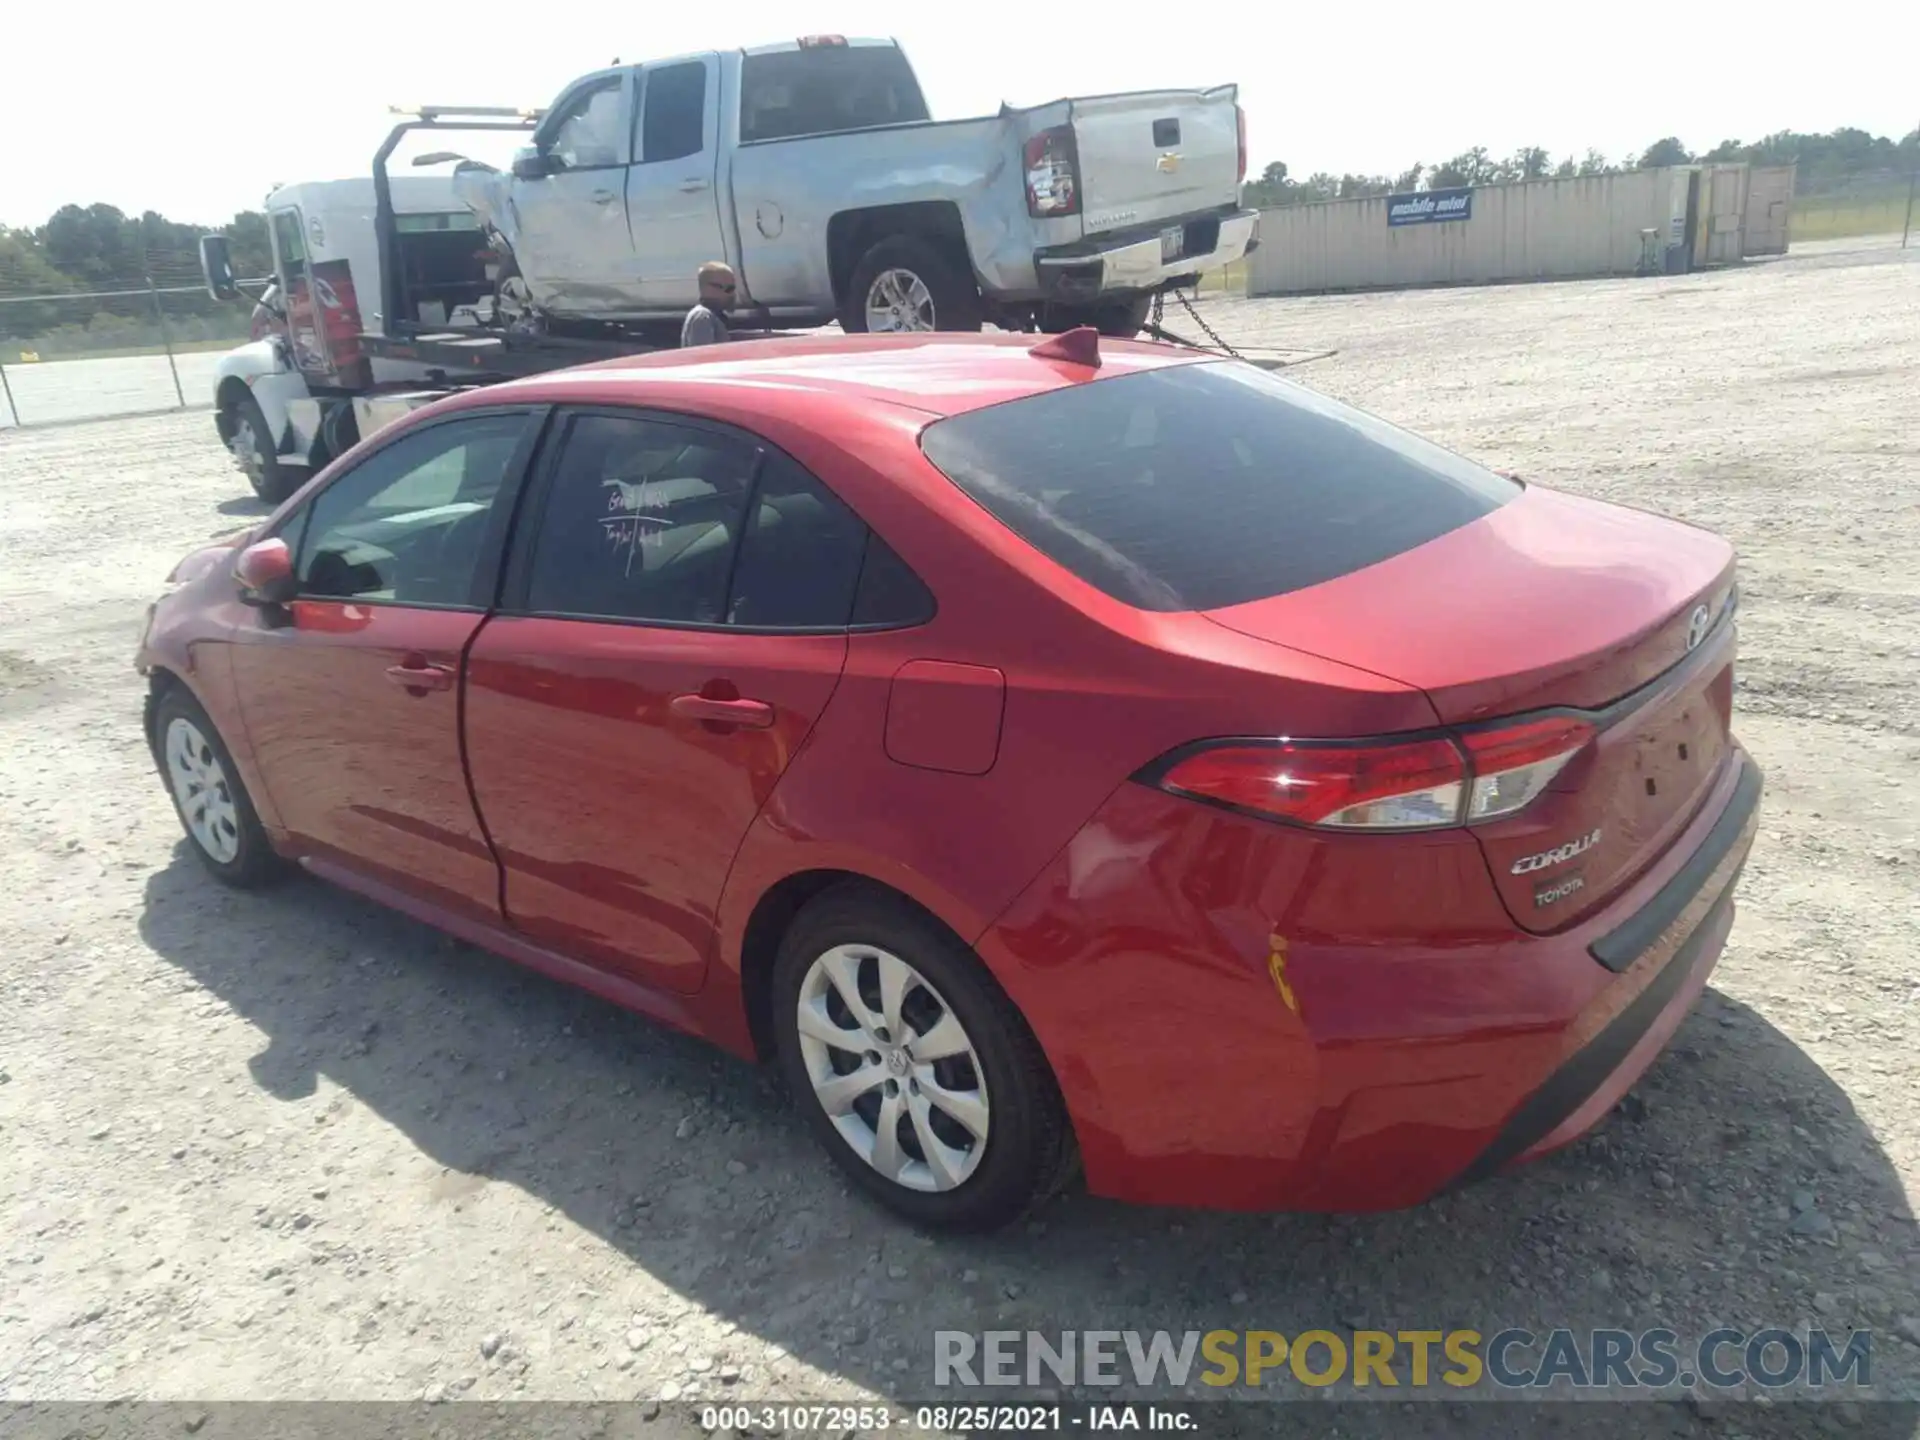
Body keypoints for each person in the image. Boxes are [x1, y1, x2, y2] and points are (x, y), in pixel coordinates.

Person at [681, 262, 736, 348]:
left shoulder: (712, 316)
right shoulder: (702, 317)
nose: (732, 294)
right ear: (709, 289)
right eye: (729, 289)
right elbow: (702, 355)